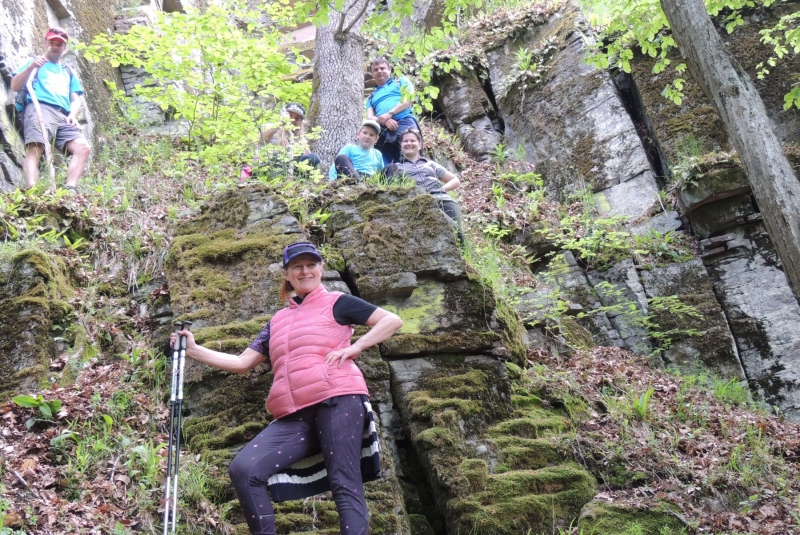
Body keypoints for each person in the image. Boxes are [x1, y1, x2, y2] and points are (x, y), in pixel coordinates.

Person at [171, 241, 403, 535]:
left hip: (339, 398)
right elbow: (243, 362)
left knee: (344, 481)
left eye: (311, 265)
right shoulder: (277, 321)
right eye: (297, 266)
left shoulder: (338, 302)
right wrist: (193, 350)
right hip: (294, 413)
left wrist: (356, 347)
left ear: (320, 269)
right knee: (244, 469)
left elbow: (391, 320)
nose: (305, 271)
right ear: (287, 274)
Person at [10, 27, 91, 191]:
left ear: (64, 48)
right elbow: (15, 85)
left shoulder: (68, 72)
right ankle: (32, 192)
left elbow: (76, 100)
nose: (54, 46)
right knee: (36, 147)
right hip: (40, 107)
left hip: (63, 114)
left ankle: (70, 191)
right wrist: (31, 66)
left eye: (59, 44)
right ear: (45, 42)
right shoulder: (34, 63)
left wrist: (73, 115)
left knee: (83, 147)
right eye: (51, 42)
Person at [385, 129, 464, 243]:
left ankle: (467, 257)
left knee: (458, 237)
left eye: (413, 140)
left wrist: (442, 189)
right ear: (401, 145)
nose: (409, 143)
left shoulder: (430, 164)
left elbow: (455, 180)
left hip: (445, 200)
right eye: (405, 141)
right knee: (455, 232)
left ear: (420, 145)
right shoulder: (395, 167)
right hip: (421, 202)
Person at [365, 58, 420, 166]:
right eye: (376, 70)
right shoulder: (371, 97)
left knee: (410, 152)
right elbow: (369, 117)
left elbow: (409, 99)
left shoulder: (401, 82)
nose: (379, 71)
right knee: (385, 158)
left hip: (404, 121)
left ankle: (416, 178)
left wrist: (390, 114)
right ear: (372, 73)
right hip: (382, 128)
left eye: (382, 68)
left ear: (389, 69)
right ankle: (392, 180)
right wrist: (384, 121)